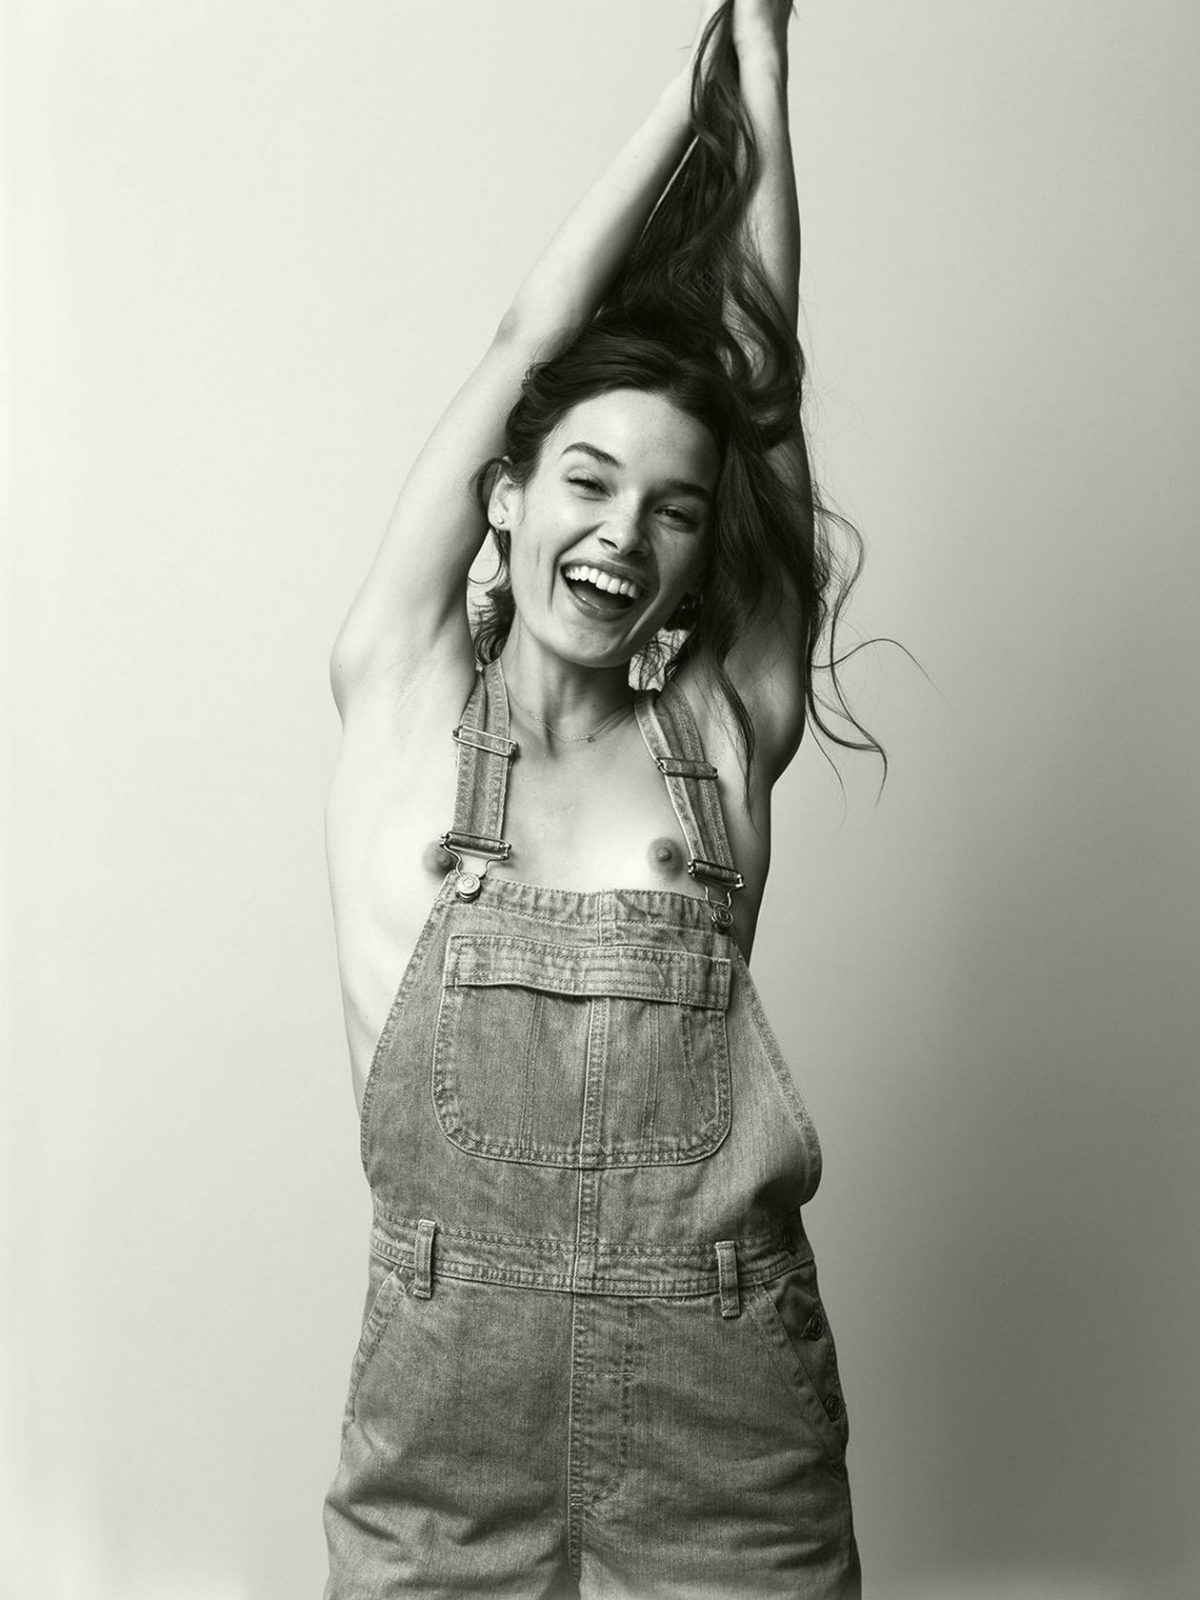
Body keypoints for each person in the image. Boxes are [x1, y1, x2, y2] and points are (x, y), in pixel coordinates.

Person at [321, 3, 881, 1595]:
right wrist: (685, 103)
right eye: (587, 479)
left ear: (700, 555)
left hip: (728, 1412)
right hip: (446, 1436)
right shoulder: (401, 696)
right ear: (503, 499)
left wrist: (765, 72)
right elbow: (523, 343)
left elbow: (759, 390)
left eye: (673, 511)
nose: (625, 533)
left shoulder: (723, 735)